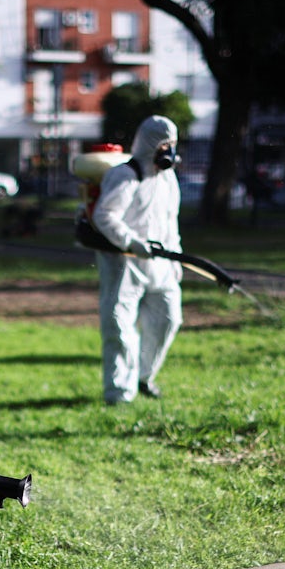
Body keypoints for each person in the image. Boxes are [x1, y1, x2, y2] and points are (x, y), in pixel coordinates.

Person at [90, 115, 183, 404]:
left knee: (168, 319)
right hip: (124, 263)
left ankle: (144, 377)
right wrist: (132, 242)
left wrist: (176, 259)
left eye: (172, 144)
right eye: (164, 144)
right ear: (149, 144)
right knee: (119, 326)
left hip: (162, 264)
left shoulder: (168, 179)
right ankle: (119, 393)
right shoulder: (125, 175)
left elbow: (171, 222)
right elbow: (104, 216)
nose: (168, 150)